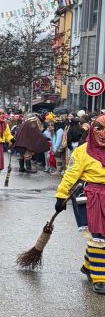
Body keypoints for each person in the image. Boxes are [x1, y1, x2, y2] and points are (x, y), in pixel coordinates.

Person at [55, 113, 105, 295]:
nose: (103, 134)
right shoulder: (82, 151)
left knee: (101, 238)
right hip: (90, 197)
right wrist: (61, 195)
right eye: (99, 128)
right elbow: (70, 175)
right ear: (92, 130)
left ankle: (88, 265)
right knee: (97, 237)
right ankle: (100, 279)